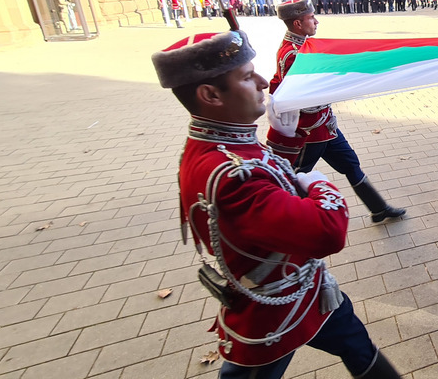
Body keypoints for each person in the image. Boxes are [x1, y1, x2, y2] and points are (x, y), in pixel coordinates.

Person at [151, 29, 401, 378]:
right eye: (245, 77)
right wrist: (320, 185)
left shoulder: (220, 144)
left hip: (300, 287)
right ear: (210, 94)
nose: (263, 82)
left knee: (357, 346)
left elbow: (266, 189)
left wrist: (281, 142)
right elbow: (326, 233)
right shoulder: (229, 171)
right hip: (273, 306)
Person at [265, 0, 406, 223]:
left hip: (326, 128)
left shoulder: (304, 47)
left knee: (351, 164)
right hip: (309, 133)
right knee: (294, 176)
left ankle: (379, 209)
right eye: (312, 18)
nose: (317, 21)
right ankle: (285, 220)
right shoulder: (292, 54)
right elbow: (299, 101)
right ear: (298, 24)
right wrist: (336, 91)